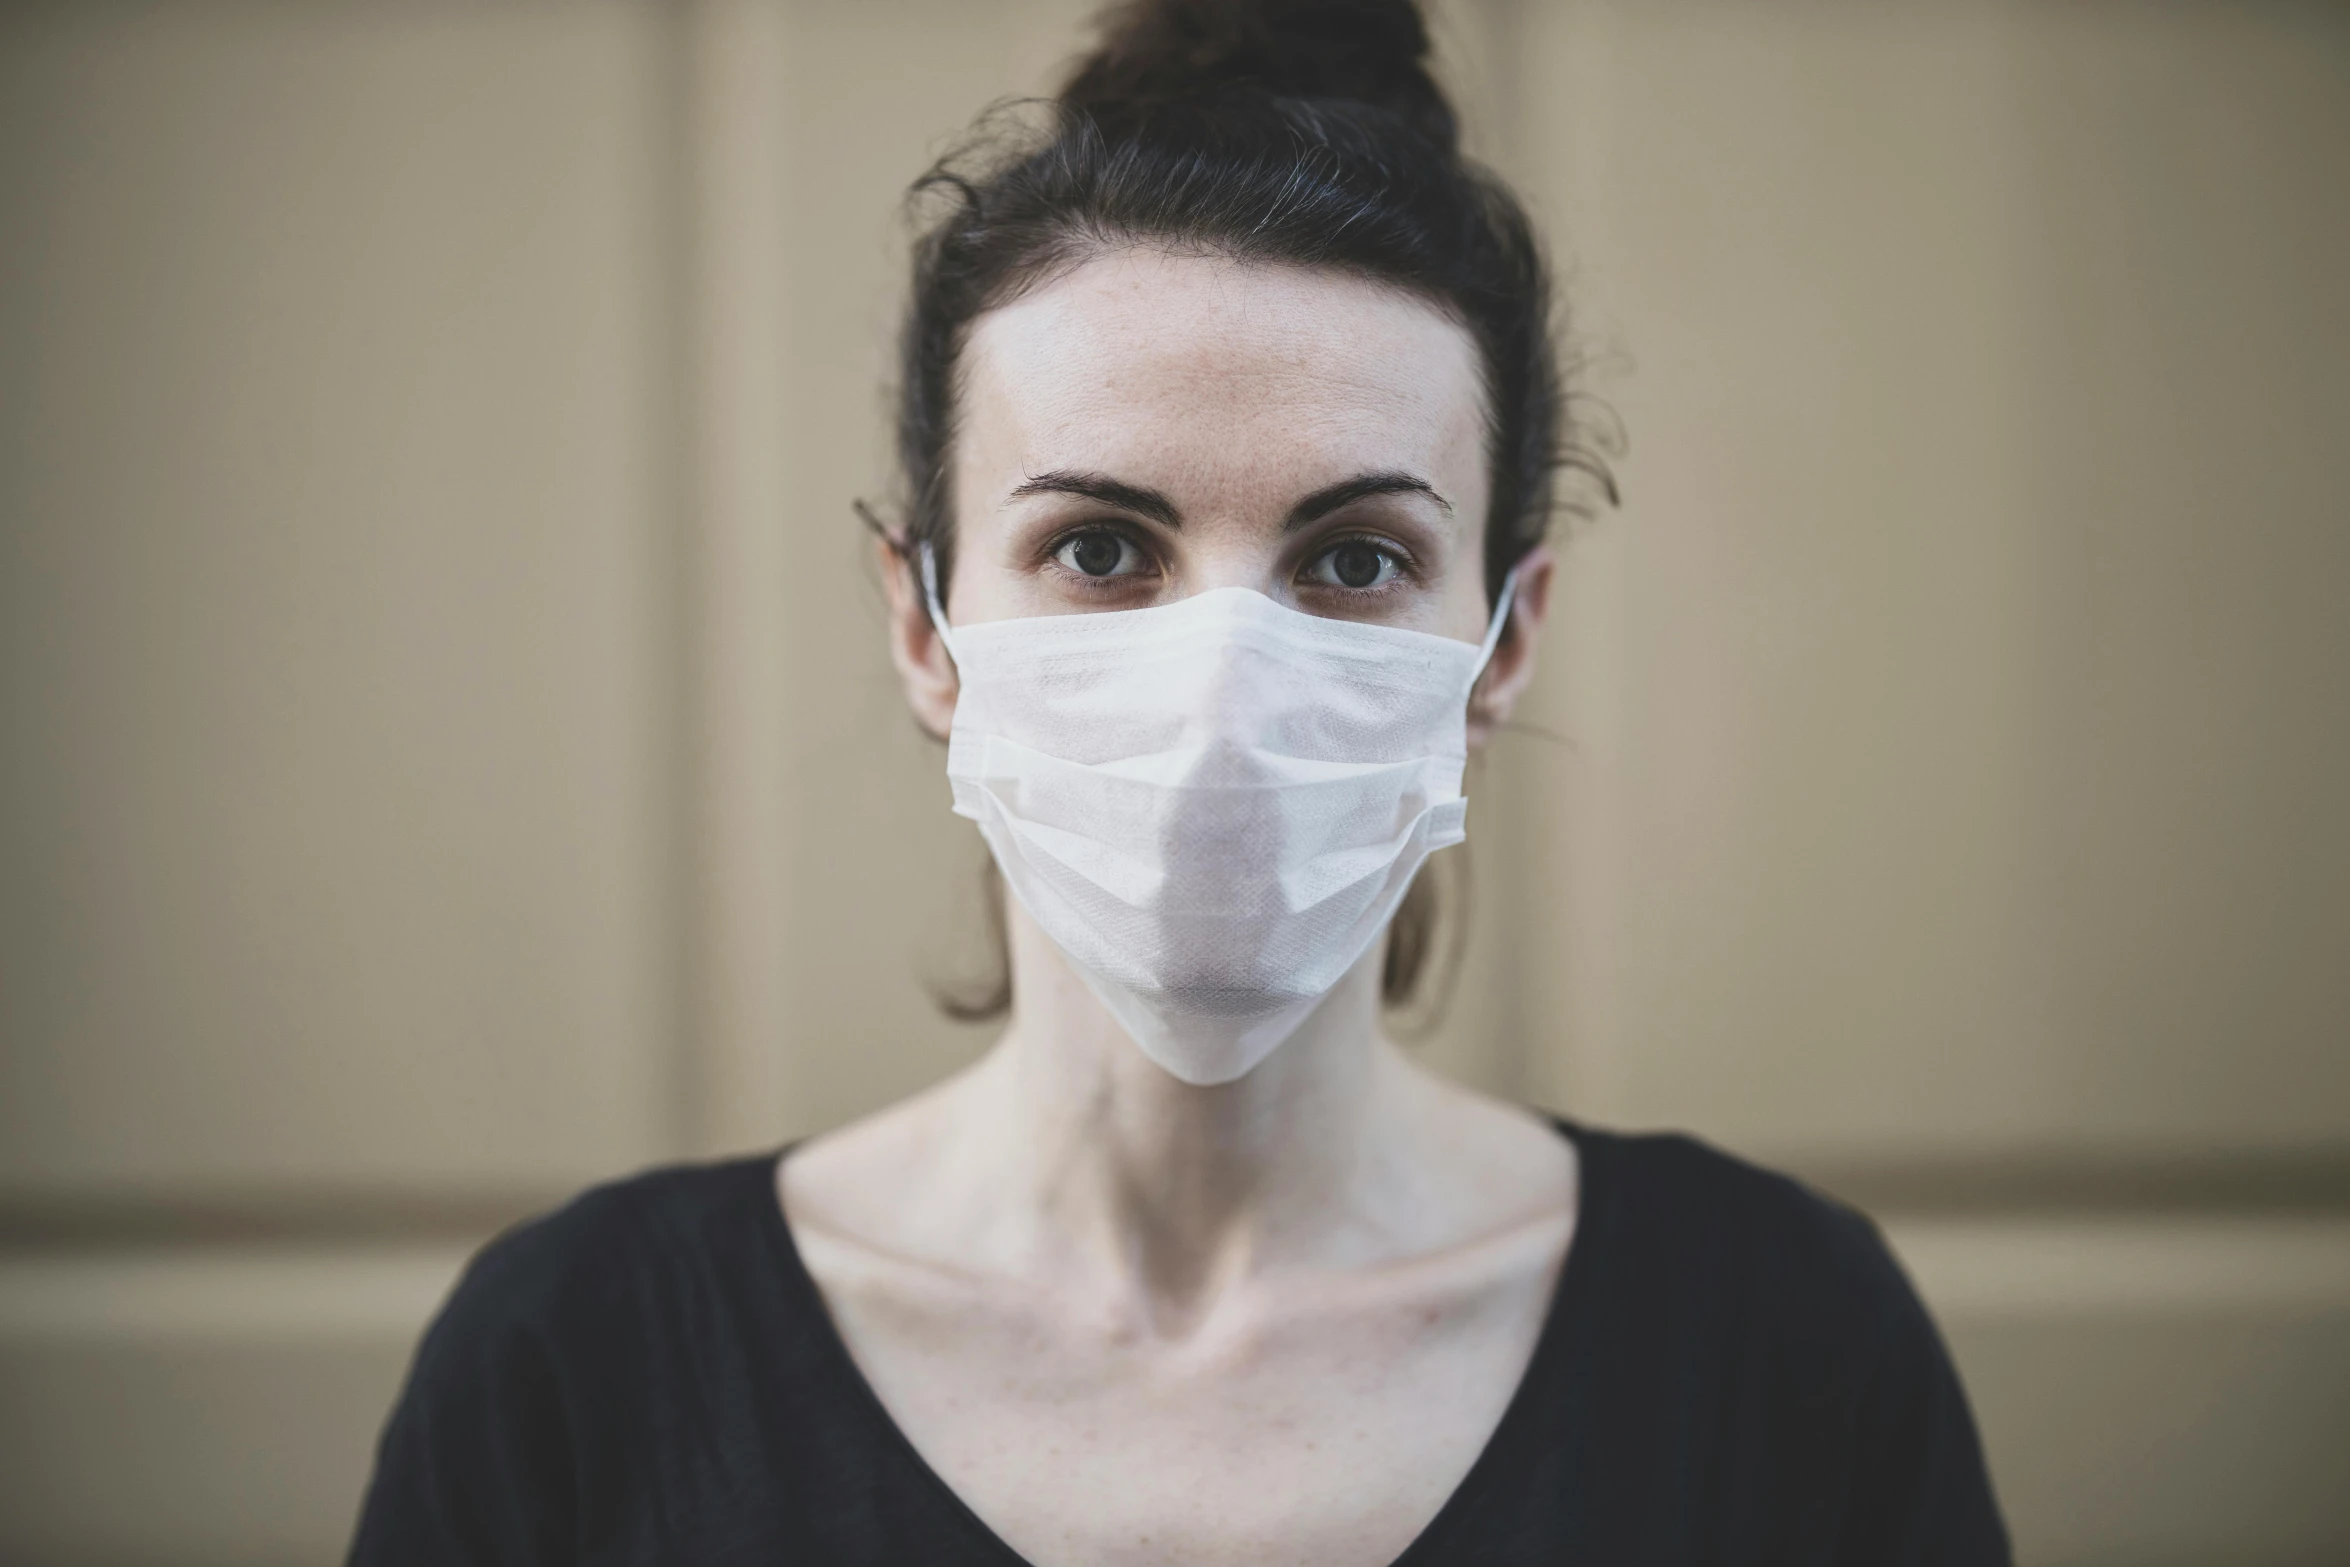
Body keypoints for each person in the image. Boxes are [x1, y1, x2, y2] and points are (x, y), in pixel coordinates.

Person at [349, 1, 2009, 1561]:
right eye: (1097, 546)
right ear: (923, 626)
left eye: (1353, 560)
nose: (1222, 681)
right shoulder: (575, 1363)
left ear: (1500, 645)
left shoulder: (1786, 1344)